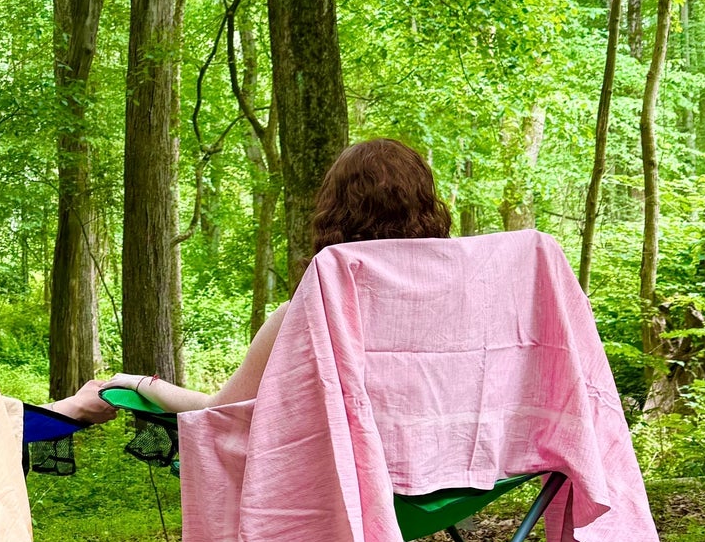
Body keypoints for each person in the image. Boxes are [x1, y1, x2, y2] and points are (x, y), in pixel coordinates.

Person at [50, 137, 453, 423]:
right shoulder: (459, 312)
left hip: (352, 488)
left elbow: (219, 408)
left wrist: (139, 383)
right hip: (459, 477)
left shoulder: (307, 319)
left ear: (335, 217)